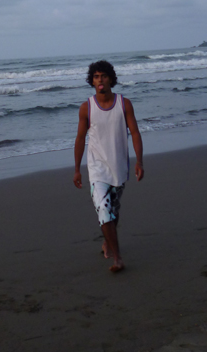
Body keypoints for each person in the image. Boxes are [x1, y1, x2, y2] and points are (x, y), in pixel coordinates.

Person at [73, 60, 144, 273]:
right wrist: (77, 169)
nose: (100, 80)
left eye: (103, 76)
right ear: (92, 81)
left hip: (119, 166)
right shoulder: (86, 108)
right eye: (96, 77)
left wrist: (139, 161)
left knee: (113, 210)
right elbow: (80, 138)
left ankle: (107, 241)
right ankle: (118, 258)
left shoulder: (124, 104)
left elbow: (135, 133)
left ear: (111, 78)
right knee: (103, 209)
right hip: (97, 168)